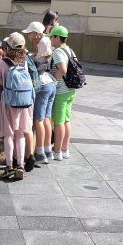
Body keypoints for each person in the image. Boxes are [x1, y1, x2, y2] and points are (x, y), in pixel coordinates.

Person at [0, 32, 34, 180]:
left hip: (9, 102)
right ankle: (21, 166)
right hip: (24, 103)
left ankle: (9, 166)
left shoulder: (3, 62)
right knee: (20, 134)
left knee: (8, 134)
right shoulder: (25, 60)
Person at [23, 22, 56, 163]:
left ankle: (40, 152)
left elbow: (40, 61)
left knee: (38, 119)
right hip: (51, 82)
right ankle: (48, 150)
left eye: (30, 33)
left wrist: (29, 57)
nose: (29, 35)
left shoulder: (42, 41)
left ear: (36, 33)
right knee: (46, 119)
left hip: (43, 83)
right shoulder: (45, 40)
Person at [49, 25, 76, 160]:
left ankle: (57, 151)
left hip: (61, 90)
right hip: (70, 90)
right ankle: (65, 150)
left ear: (57, 38)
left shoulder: (58, 52)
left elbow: (63, 69)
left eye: (52, 37)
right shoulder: (69, 50)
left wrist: (52, 80)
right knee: (66, 120)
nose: (50, 40)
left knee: (59, 122)